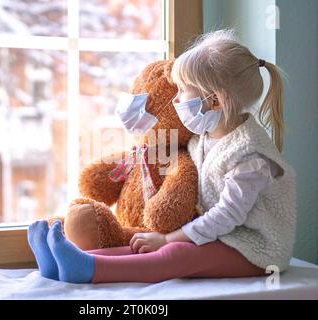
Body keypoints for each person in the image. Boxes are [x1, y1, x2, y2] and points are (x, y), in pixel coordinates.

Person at [28, 29, 296, 283]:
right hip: (224, 236)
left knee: (177, 254)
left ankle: (89, 269)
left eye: (183, 90)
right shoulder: (204, 137)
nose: (176, 100)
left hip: (254, 249)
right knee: (150, 242)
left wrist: (169, 239)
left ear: (214, 101)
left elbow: (227, 216)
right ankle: (68, 261)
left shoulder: (250, 156)